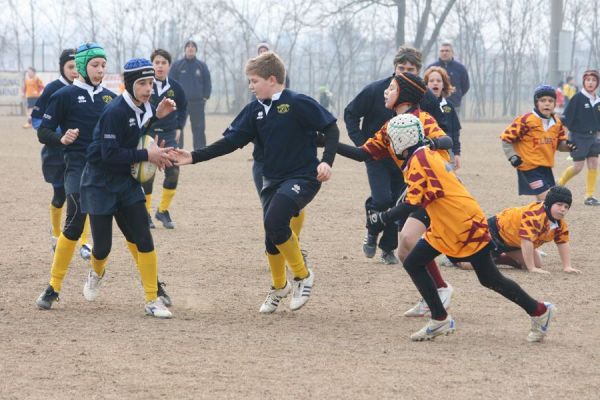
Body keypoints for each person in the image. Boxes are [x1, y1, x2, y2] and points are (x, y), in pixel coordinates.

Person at [170, 51, 340, 314]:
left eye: (254, 81)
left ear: (272, 79)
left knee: (275, 221)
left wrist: (326, 160)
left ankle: (302, 276)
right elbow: (230, 142)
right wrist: (193, 156)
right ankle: (278, 286)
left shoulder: (298, 102)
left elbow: (331, 128)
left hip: (303, 176)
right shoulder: (254, 110)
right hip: (271, 178)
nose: (250, 86)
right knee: (272, 234)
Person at [364, 114, 555, 342]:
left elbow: (411, 203)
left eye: (391, 140)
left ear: (401, 141)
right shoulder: (423, 154)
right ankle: (440, 318)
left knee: (489, 278)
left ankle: (540, 311)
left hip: (463, 224)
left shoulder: (418, 161)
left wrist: (382, 218)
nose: (390, 145)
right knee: (415, 262)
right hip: (448, 222)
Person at [34, 43, 171, 310]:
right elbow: (43, 131)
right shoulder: (64, 95)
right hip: (79, 168)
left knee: (134, 231)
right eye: (94, 65)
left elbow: (132, 130)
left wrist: (153, 124)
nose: (99, 70)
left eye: (103, 65)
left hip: (114, 169)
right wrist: (61, 139)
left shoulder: (111, 99)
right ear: (83, 67)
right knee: (74, 225)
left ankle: (153, 285)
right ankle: (53, 286)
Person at [336, 72, 455, 318]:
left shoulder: (422, 118)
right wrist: (326, 143)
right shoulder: (390, 126)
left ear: (404, 94)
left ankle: (440, 292)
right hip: (418, 190)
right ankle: (435, 294)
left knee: (414, 243)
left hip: (437, 189)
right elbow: (363, 153)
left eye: (390, 88)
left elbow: (447, 139)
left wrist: (433, 144)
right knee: (404, 249)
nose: (385, 92)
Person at [80, 58, 176, 318]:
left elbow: (138, 129)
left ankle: (152, 299)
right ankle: (96, 272)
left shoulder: (146, 106)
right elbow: (109, 154)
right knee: (102, 248)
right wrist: (148, 154)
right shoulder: (114, 112)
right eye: (142, 83)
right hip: (99, 181)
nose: (148, 89)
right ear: (129, 84)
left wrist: (156, 116)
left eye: (151, 84)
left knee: (143, 237)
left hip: (125, 181)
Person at [344, 46, 446, 265]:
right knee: (382, 200)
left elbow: (440, 126)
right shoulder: (377, 90)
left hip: (408, 162)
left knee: (401, 205)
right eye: (401, 68)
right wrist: (361, 143)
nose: (404, 72)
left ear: (418, 70)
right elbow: (350, 113)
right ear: (394, 67)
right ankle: (372, 229)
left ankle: (387, 248)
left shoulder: (425, 97)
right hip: (377, 156)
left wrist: (441, 148)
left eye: (410, 69)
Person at [31, 49, 94, 259]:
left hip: (79, 155)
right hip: (56, 154)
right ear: (62, 68)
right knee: (59, 197)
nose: (75, 71)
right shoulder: (53, 89)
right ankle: (56, 236)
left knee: (81, 196)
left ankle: (84, 242)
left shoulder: (88, 91)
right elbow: (37, 120)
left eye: (78, 66)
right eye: (70, 67)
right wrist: (60, 134)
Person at [501, 85, 575, 201]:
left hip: (545, 165)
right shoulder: (526, 120)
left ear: (555, 103)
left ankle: (539, 218)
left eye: (550, 101)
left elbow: (559, 143)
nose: (547, 104)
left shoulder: (556, 122)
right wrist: (512, 156)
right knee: (548, 198)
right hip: (528, 166)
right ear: (536, 103)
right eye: (543, 100)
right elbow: (506, 138)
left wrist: (569, 146)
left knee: (543, 202)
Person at [488, 186, 580, 274]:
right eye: (559, 204)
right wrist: (531, 268)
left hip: (513, 243)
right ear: (549, 203)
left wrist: (567, 266)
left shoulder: (560, 223)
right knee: (474, 265)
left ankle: (498, 258)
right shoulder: (535, 215)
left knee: (537, 264)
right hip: (494, 232)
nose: (563, 209)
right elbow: (526, 241)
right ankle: (490, 256)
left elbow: (562, 242)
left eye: (566, 207)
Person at [144, 48, 188, 229]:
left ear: (169, 66)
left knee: (174, 171)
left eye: (163, 63)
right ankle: (145, 213)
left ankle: (162, 211)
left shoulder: (176, 87)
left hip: (170, 134)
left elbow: (184, 108)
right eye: (157, 62)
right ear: (152, 65)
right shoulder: (145, 85)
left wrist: (179, 126)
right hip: (149, 134)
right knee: (147, 174)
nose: (160, 66)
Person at [557, 70, 600, 206]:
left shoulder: (598, 100)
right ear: (584, 82)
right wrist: (563, 135)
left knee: (594, 163)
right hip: (577, 137)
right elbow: (566, 118)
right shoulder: (577, 98)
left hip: (593, 138)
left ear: (597, 83)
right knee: (577, 167)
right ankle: (559, 184)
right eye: (588, 80)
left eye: (593, 80)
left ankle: (589, 196)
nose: (590, 83)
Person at [169, 40, 211, 149]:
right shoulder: (177, 65)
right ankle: (177, 148)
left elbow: (207, 81)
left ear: (196, 50)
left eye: (193, 46)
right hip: (180, 103)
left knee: (199, 127)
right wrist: (172, 97)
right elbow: (170, 82)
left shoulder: (201, 66)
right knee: (178, 126)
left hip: (197, 102)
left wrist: (206, 96)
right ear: (185, 49)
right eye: (188, 46)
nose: (190, 48)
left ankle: (200, 149)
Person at [424, 66, 462, 170]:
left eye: (438, 81)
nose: (435, 83)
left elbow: (455, 132)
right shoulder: (421, 105)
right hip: (426, 150)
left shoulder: (448, 106)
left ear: (443, 84)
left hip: (446, 151)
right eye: (431, 81)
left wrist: (457, 153)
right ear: (426, 85)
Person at [427, 43, 470, 111]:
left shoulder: (460, 68)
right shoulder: (432, 68)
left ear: (452, 53)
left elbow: (465, 86)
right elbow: (426, 84)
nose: (444, 53)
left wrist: (457, 94)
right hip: (435, 103)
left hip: (454, 104)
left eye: (447, 51)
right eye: (442, 51)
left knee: (453, 121)